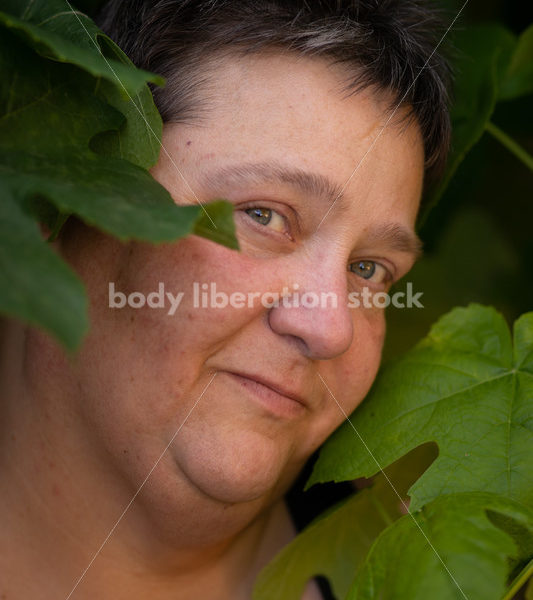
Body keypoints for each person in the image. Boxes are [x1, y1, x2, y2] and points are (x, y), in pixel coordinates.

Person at [0, 1, 451, 598]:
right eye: (263, 215)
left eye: (369, 269)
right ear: (58, 194)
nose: (330, 328)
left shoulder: (415, 582)